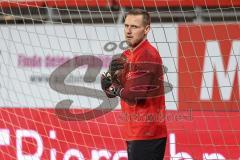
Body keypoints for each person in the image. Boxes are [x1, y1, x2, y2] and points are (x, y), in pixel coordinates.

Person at [101, 8, 167, 160]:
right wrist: (107, 83)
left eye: (134, 27)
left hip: (148, 134)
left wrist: (111, 85)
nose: (128, 31)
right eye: (126, 26)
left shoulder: (147, 54)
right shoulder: (125, 56)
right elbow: (111, 93)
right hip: (133, 132)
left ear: (147, 29)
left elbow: (133, 96)